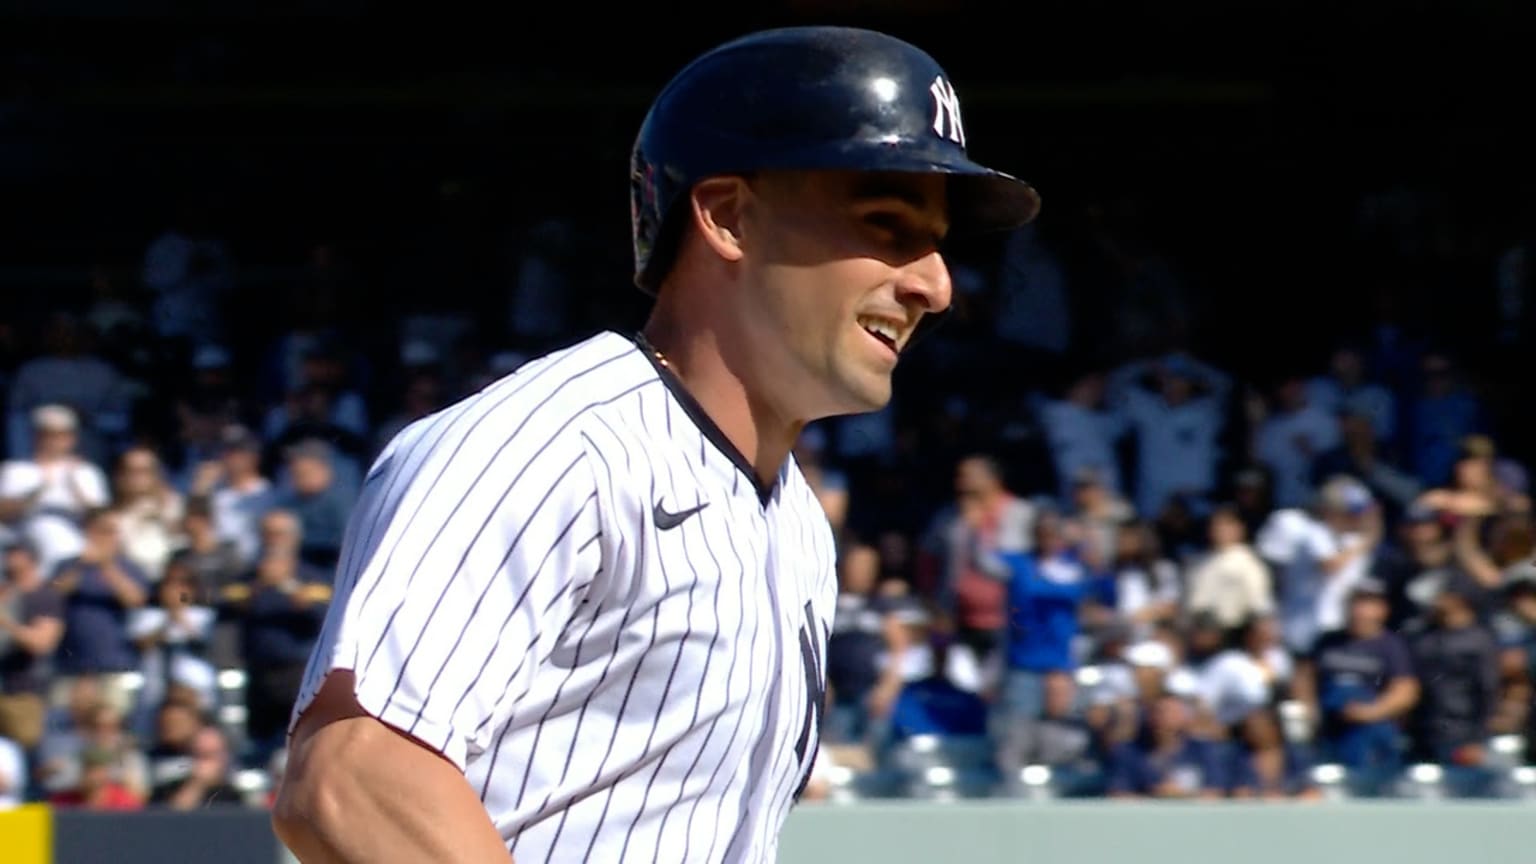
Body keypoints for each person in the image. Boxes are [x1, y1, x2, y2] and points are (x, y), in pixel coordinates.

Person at [272, 26, 1040, 864]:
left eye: (937, 246)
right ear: (729, 217)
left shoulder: (798, 525)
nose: (935, 284)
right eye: (887, 225)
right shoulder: (551, 445)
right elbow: (352, 779)